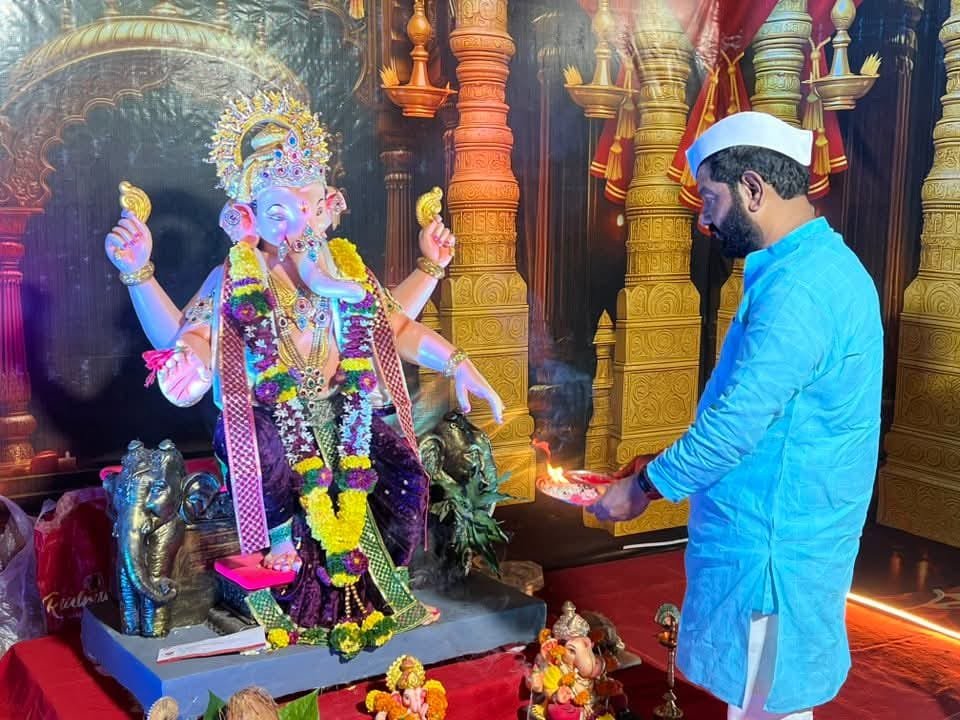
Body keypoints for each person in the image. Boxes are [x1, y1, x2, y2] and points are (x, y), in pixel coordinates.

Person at [103, 89, 504, 657]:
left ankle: (382, 576)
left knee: (405, 473)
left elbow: (393, 325)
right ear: (245, 219)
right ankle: (279, 548)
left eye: (313, 210)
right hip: (269, 417)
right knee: (265, 451)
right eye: (280, 215)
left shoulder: (345, 269)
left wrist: (459, 362)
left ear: (330, 208)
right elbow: (190, 338)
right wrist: (142, 277)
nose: (301, 228)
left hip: (342, 414)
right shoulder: (238, 277)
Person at [589, 111, 883, 720]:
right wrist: (656, 464)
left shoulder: (800, 289)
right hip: (781, 534)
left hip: (772, 552)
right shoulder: (816, 266)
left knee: (765, 706)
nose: (705, 218)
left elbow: (735, 426)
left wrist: (642, 490)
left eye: (711, 199)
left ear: (753, 188)